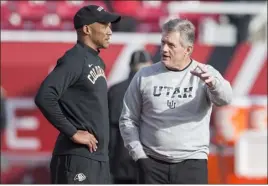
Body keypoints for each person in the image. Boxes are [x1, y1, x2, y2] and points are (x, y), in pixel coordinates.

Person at [119, 18, 232, 184]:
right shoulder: (144, 75)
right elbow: (128, 119)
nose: (164, 49)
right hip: (151, 163)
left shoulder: (205, 73)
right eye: (163, 42)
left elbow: (226, 99)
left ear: (188, 49)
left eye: (171, 45)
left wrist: (214, 84)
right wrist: (139, 155)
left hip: (192, 164)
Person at [35, 5, 121, 184]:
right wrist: (73, 132)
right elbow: (45, 96)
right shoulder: (74, 58)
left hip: (98, 159)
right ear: (87, 29)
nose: (110, 31)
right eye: (104, 24)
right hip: (78, 158)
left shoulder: (96, 60)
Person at [108, 50, 152, 184]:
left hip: (119, 157)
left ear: (130, 65)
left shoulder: (115, 90)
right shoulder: (153, 89)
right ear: (149, 65)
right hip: (146, 158)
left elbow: (108, 127)